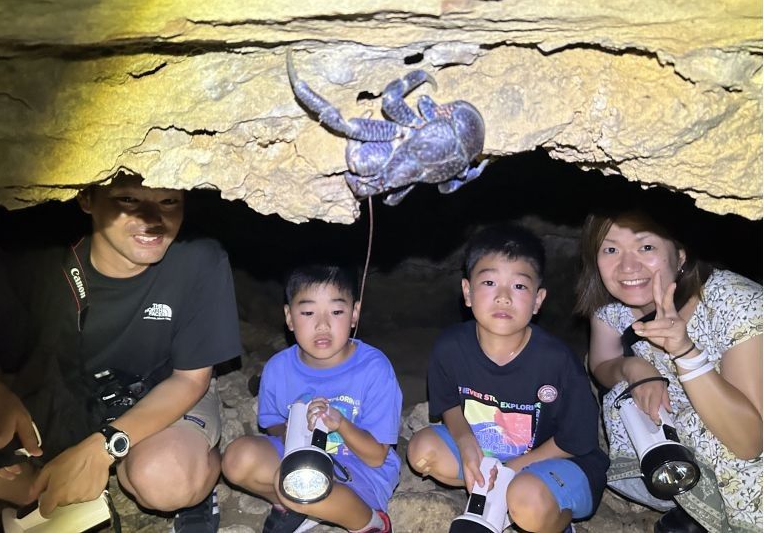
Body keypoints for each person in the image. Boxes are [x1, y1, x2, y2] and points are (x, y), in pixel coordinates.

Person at [0, 173, 242, 532]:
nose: (152, 219)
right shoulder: (33, 256)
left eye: (168, 202)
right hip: (63, 393)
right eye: (128, 200)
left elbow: (190, 380)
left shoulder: (198, 258)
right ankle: (46, 494)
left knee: (165, 477)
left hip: (161, 392)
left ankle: (194, 470)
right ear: (87, 199)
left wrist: (105, 447)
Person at [407, 223, 609, 533]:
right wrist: (465, 443)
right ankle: (496, 498)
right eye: (489, 282)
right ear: (467, 292)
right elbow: (448, 403)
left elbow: (576, 440)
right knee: (422, 451)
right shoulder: (450, 348)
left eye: (519, 286)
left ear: (538, 299)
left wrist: (510, 469)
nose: (503, 297)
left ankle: (553, 519)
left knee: (526, 501)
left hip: (557, 461)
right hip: (489, 453)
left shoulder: (556, 362)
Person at [575, 208, 762, 533]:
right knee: (622, 394)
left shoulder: (737, 303)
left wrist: (684, 351)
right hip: (687, 434)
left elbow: (749, 443)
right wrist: (633, 367)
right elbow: (601, 363)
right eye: (611, 249)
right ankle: (692, 502)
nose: (627, 266)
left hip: (745, 440)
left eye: (646, 247)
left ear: (680, 254)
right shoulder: (613, 310)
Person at [222, 264, 401, 533]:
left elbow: (376, 457)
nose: (322, 324)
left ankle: (371, 523)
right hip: (301, 458)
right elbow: (272, 424)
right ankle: (293, 506)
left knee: (294, 482)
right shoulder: (278, 368)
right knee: (238, 459)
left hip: (359, 471)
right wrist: (292, 430)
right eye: (307, 312)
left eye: (337, 312)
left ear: (354, 314)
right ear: (289, 317)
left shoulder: (374, 369)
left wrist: (340, 424)